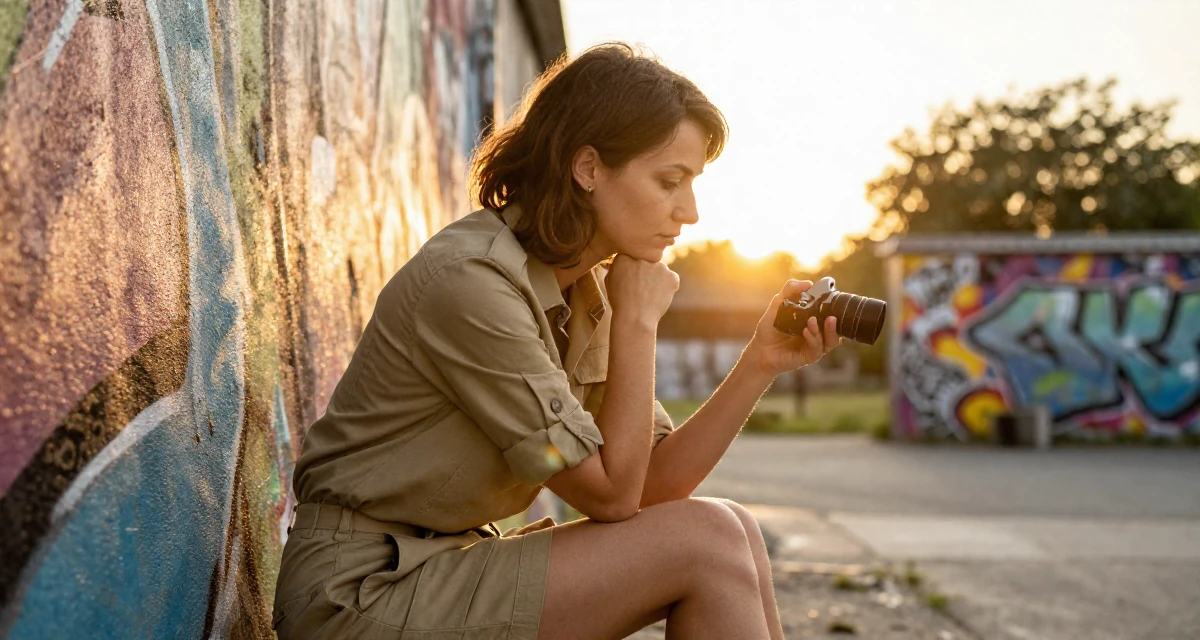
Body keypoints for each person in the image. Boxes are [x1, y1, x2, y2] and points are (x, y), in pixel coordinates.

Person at [272, 42, 841, 640]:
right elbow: (612, 497)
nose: (690, 212)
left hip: (441, 568)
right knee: (709, 542)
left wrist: (758, 363)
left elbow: (655, 485)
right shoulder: (472, 285)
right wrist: (639, 322)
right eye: (670, 181)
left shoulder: (583, 293)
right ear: (588, 168)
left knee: (734, 528)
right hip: (357, 592)